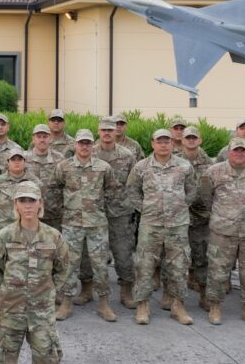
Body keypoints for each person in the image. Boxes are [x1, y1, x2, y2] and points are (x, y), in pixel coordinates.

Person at [0, 181, 72, 364]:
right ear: (15, 204)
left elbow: (63, 268)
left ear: (40, 203)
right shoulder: (4, 236)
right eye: (22, 200)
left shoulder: (53, 236)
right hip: (10, 310)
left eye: (32, 200)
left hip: (41, 312)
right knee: (4, 359)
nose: (27, 205)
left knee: (46, 358)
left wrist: (48, 290)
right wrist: (6, 291)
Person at [126, 129, 198, 325]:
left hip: (177, 225)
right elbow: (132, 190)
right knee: (144, 265)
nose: (163, 144)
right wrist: (146, 208)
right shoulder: (141, 167)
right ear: (152, 143)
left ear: (172, 144)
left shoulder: (184, 166)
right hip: (151, 225)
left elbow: (192, 189)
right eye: (160, 141)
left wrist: (181, 205)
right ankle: (143, 306)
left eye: (167, 141)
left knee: (179, 266)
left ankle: (178, 306)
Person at [50, 129, 118, 322]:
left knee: (100, 265)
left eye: (88, 143)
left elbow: (112, 191)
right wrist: (64, 209)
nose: (85, 146)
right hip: (72, 224)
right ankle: (66, 303)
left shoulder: (103, 167)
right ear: (75, 145)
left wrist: (103, 211)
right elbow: (54, 189)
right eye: (81, 143)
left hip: (97, 224)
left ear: (92, 145)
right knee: (69, 264)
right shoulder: (64, 167)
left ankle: (104, 304)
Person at [200, 137, 245, 326]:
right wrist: (223, 215)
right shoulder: (214, 172)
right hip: (223, 231)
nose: (239, 154)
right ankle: (215, 306)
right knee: (218, 270)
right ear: (229, 152)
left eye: (243, 151)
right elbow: (206, 197)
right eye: (236, 150)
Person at [80, 116, 138, 310]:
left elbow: (135, 182)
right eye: (103, 129)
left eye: (110, 130)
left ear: (116, 132)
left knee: (123, 252)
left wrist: (131, 204)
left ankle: (126, 291)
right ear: (98, 131)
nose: (107, 133)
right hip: (93, 211)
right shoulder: (89, 152)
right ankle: (87, 289)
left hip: (120, 212)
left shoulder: (127, 155)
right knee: (89, 253)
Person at [178, 126, 214, 305]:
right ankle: (172, 295)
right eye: (188, 138)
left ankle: (204, 293)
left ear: (200, 140)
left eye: (194, 138)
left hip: (201, 218)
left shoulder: (210, 164)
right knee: (175, 257)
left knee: (202, 257)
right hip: (178, 217)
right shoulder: (174, 161)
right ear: (182, 140)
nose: (191, 141)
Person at [0, 149, 36, 242]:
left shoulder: (34, 182)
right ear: (8, 162)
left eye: (20, 159)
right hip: (2, 229)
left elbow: (39, 205)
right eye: (13, 159)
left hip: (27, 230)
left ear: (24, 162)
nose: (17, 162)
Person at [25, 123, 60, 225]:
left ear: (50, 138)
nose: (42, 140)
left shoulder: (59, 159)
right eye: (39, 137)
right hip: (30, 214)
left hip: (54, 215)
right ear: (33, 138)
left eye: (45, 136)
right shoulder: (23, 158)